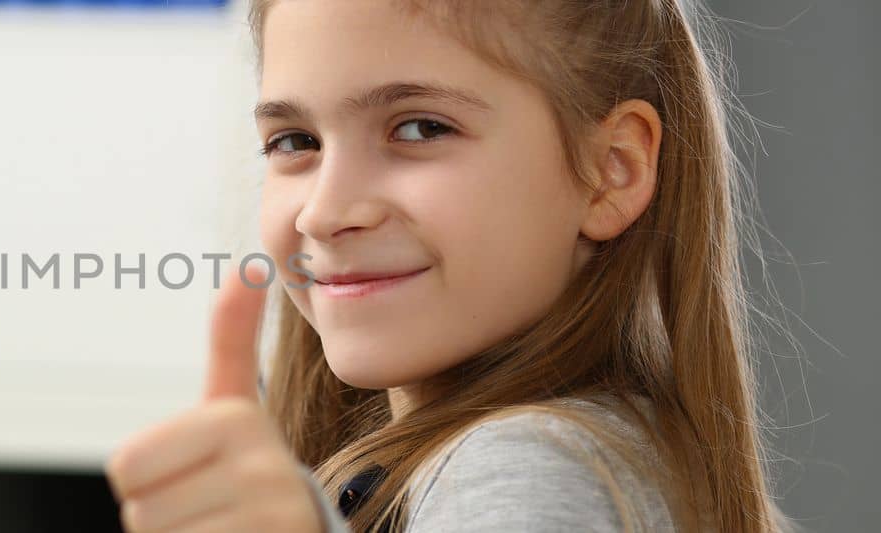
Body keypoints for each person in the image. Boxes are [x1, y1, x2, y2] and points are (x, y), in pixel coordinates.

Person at [107, 1, 789, 531]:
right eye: (296, 141)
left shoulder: (526, 465)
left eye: (419, 127)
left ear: (612, 170)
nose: (324, 210)